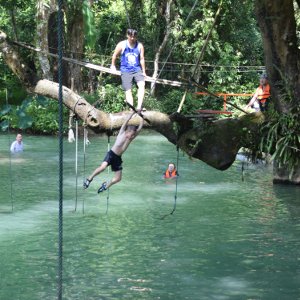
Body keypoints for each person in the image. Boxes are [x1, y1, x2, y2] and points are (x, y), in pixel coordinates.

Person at [83, 111, 144, 193]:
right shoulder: (122, 132)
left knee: (118, 178)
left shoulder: (130, 139)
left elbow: (140, 128)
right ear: (128, 131)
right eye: (132, 134)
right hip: (111, 154)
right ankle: (89, 179)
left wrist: (142, 117)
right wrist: (133, 113)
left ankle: (106, 185)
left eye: (133, 135)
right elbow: (126, 121)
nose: (133, 136)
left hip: (118, 158)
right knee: (102, 167)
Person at [111, 28, 146, 113]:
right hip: (125, 70)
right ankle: (131, 109)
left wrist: (144, 71)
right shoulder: (122, 44)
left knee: (142, 85)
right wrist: (113, 65)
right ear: (127, 35)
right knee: (128, 89)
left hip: (137, 69)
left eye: (134, 36)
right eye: (131, 36)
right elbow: (115, 55)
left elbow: (141, 59)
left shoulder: (140, 46)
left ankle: (139, 107)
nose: (132, 38)